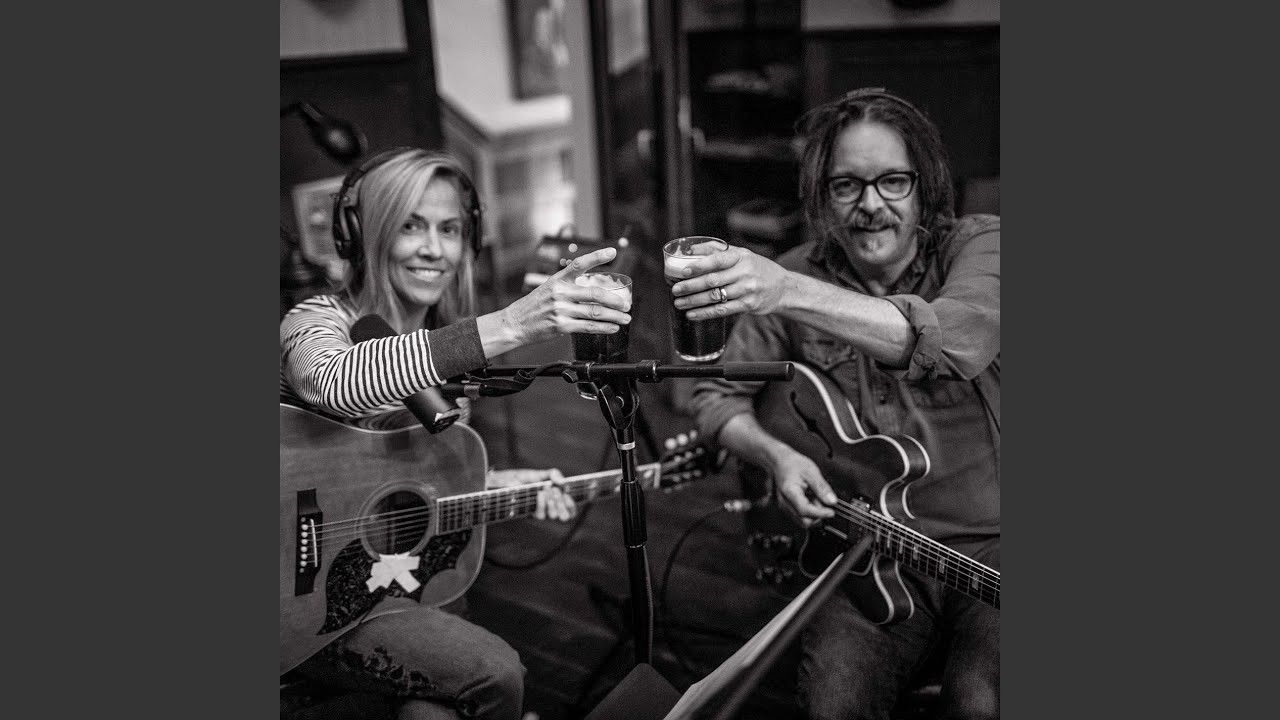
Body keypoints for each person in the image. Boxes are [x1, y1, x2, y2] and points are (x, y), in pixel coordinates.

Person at [673, 88, 999, 719]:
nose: (871, 205)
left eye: (893, 181)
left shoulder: (981, 245)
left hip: (990, 547)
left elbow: (955, 339)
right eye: (847, 185)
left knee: (979, 701)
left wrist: (786, 290)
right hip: (862, 550)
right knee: (831, 705)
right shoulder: (793, 274)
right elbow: (714, 396)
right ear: (823, 197)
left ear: (926, 187)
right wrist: (776, 458)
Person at [279, 148, 632, 720]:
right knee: (496, 674)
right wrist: (511, 323)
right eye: (410, 226)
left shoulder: (447, 357)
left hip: (389, 578)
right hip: (295, 599)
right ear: (362, 235)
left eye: (449, 230)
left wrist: (495, 482)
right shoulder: (314, 321)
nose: (434, 249)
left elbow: (401, 479)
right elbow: (333, 381)